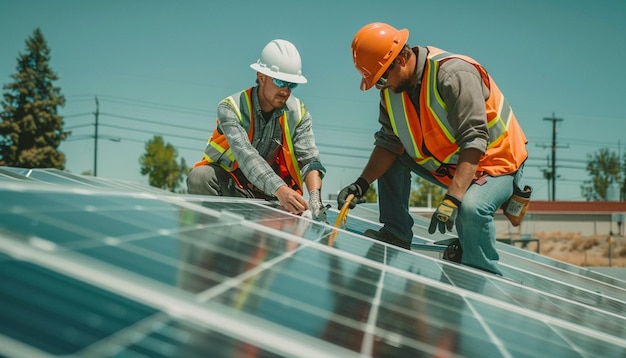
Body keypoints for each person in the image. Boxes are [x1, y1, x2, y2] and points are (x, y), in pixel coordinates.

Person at [338, 22, 528, 275]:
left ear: (402, 58)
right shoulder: (391, 92)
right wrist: (361, 183)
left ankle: (482, 276)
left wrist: (453, 198)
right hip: (448, 165)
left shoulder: (453, 74)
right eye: (376, 81)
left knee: (471, 210)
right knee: (394, 157)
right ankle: (396, 232)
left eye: (382, 76)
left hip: (496, 163)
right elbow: (389, 143)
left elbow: (474, 138)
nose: (382, 85)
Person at [187, 39, 328, 222]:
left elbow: (309, 160)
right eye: (280, 82)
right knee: (200, 177)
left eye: (292, 85)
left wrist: (315, 197)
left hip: (273, 198)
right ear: (261, 77)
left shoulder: (299, 113)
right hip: (235, 188)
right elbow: (246, 156)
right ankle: (212, 241)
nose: (286, 91)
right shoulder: (231, 108)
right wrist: (281, 190)